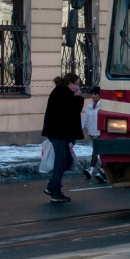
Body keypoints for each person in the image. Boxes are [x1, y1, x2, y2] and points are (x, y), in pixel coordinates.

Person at [42, 73, 85, 203]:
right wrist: (78, 97)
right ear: (70, 83)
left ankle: (52, 186)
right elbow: (72, 111)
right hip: (59, 133)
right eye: (77, 85)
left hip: (59, 132)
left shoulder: (61, 91)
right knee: (61, 162)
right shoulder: (63, 93)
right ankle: (55, 191)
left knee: (66, 161)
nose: (78, 88)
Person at [81, 92, 107, 183]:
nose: (93, 96)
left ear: (100, 95)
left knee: (100, 152)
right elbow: (85, 120)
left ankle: (99, 171)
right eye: (92, 94)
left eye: (95, 94)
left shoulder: (103, 105)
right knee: (96, 152)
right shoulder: (89, 106)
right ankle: (96, 171)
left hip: (101, 133)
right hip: (92, 133)